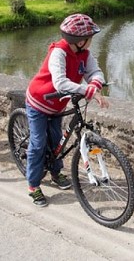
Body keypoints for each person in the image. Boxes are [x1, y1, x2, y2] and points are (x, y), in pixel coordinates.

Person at [24, 13, 109, 207]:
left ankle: (55, 173)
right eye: (90, 38)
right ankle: (33, 186)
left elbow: (95, 71)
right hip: (39, 102)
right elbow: (60, 82)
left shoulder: (84, 54)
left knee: (56, 141)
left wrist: (95, 84)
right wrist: (86, 90)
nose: (91, 42)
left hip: (57, 105)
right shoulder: (59, 53)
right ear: (79, 41)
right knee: (38, 143)